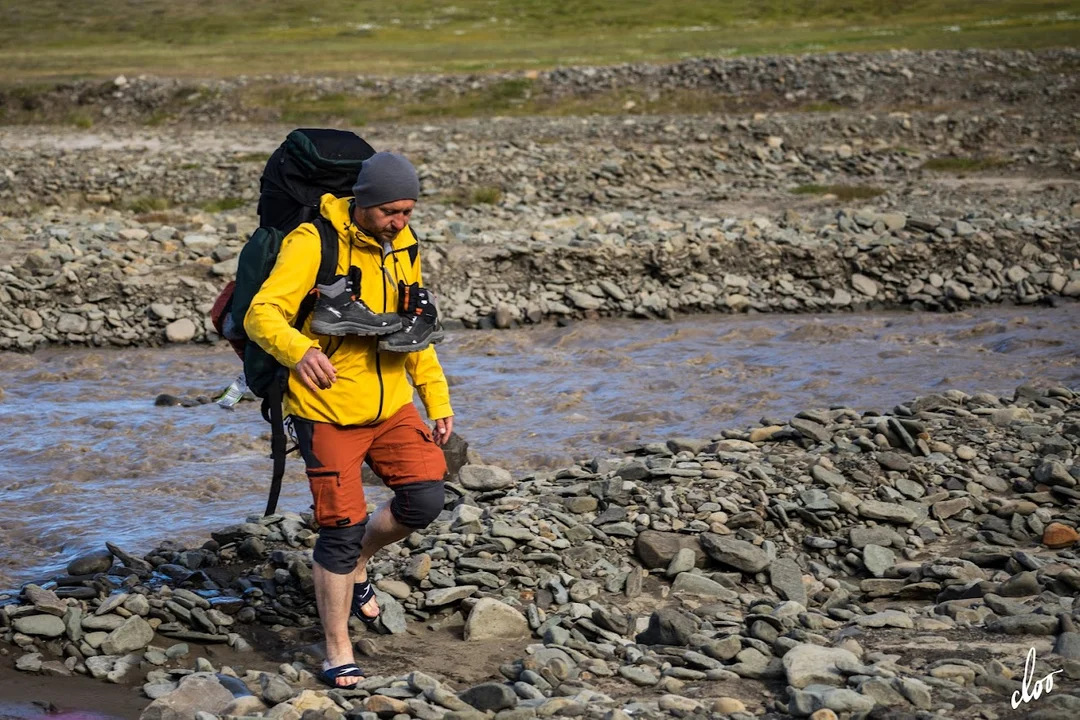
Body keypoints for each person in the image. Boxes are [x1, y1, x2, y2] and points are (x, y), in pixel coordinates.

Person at [244, 151, 453, 689]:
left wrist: (437, 399)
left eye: (408, 211)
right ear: (364, 202)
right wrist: (298, 351)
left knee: (425, 498)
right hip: (326, 411)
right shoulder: (312, 242)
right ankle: (338, 647)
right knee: (339, 531)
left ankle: (359, 561)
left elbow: (415, 329)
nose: (401, 222)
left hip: (392, 407)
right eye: (391, 211)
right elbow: (261, 313)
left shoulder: (402, 247)